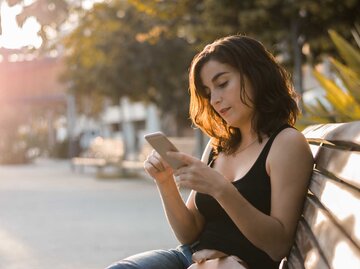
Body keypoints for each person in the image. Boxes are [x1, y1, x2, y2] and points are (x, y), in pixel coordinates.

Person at [105, 34, 314, 269]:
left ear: (256, 75)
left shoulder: (286, 143)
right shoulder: (220, 145)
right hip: (190, 258)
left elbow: (278, 246)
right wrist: (165, 182)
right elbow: (189, 232)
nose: (215, 99)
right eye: (208, 92)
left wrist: (221, 188)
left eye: (222, 84)